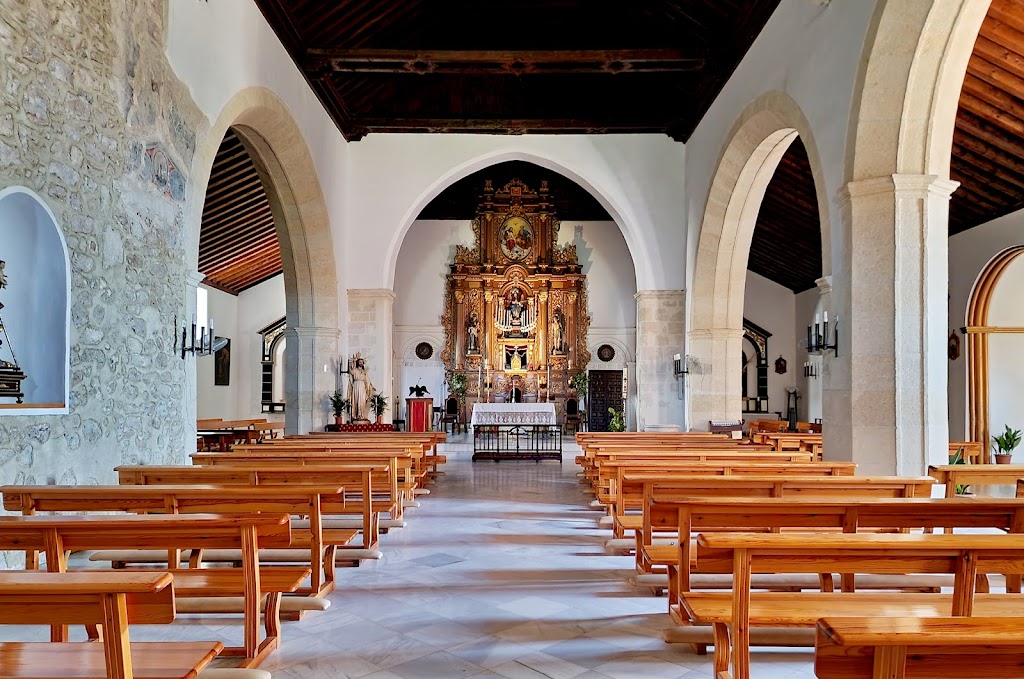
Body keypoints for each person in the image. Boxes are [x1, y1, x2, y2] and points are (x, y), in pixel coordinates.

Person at [349, 354, 376, 422]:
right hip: (356, 385)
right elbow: (351, 371)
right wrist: (353, 362)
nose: (361, 363)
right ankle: (356, 415)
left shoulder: (364, 372)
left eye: (362, 362)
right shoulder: (355, 370)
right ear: (357, 363)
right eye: (359, 362)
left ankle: (362, 415)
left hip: (362, 386)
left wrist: (371, 387)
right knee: (356, 400)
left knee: (362, 400)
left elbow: (367, 380)